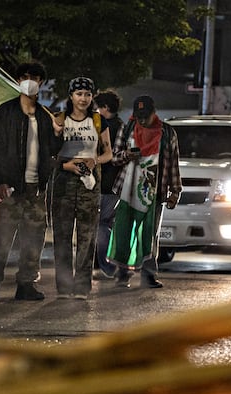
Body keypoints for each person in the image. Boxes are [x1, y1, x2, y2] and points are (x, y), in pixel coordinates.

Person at [0, 61, 63, 301]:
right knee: (0, 238)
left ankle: (26, 284)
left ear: (41, 82)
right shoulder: (4, 113)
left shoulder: (45, 117)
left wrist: (58, 134)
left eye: (34, 77)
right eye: (24, 77)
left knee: (33, 239)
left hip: (35, 189)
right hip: (9, 188)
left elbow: (53, 151)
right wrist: (0, 181)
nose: (29, 81)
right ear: (18, 80)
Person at [109, 95, 181, 289]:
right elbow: (114, 158)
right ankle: (122, 273)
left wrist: (175, 191)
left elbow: (173, 163)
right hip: (128, 190)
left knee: (149, 234)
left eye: (145, 116)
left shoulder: (167, 133)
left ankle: (148, 275)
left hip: (155, 192)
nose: (141, 120)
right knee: (124, 231)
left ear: (154, 113)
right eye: (138, 116)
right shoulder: (127, 129)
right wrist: (127, 155)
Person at [50, 77, 112, 299]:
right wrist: (66, 165)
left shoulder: (98, 121)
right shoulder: (60, 119)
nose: (83, 98)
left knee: (87, 237)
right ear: (71, 96)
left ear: (92, 96)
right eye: (79, 94)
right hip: (63, 183)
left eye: (87, 94)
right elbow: (48, 153)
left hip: (89, 184)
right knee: (62, 235)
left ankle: (82, 287)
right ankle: (64, 287)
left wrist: (94, 161)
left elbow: (108, 153)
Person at [90, 89, 124, 279]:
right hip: (115, 185)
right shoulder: (122, 126)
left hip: (104, 184)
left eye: (97, 107)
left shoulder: (105, 126)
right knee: (106, 224)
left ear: (105, 108)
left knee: (101, 225)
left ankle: (107, 266)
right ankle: (108, 264)